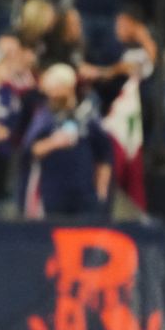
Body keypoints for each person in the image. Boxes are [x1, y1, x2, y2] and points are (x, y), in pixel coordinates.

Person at [22, 64, 112, 219]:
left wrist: (101, 190)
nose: (50, 95)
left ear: (68, 87)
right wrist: (53, 143)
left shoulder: (88, 114)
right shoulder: (44, 117)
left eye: (55, 89)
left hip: (85, 193)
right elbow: (31, 150)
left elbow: (104, 155)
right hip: (54, 193)